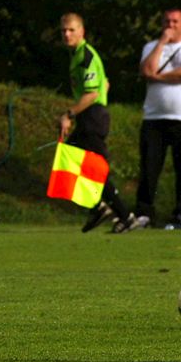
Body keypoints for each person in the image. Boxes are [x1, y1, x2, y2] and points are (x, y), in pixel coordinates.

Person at [58, 13, 139, 233]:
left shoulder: (85, 55)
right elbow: (102, 83)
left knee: (95, 170)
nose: (67, 34)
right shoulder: (77, 55)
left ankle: (123, 215)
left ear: (82, 32)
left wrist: (69, 114)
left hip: (93, 116)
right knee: (74, 160)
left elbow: (92, 94)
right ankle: (99, 207)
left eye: (71, 30)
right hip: (89, 116)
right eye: (63, 30)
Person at [135, 8, 181, 228]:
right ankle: (144, 213)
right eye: (166, 21)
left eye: (175, 21)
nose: (170, 25)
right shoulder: (150, 47)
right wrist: (162, 43)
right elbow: (146, 70)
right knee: (149, 168)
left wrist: (158, 77)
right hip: (154, 118)